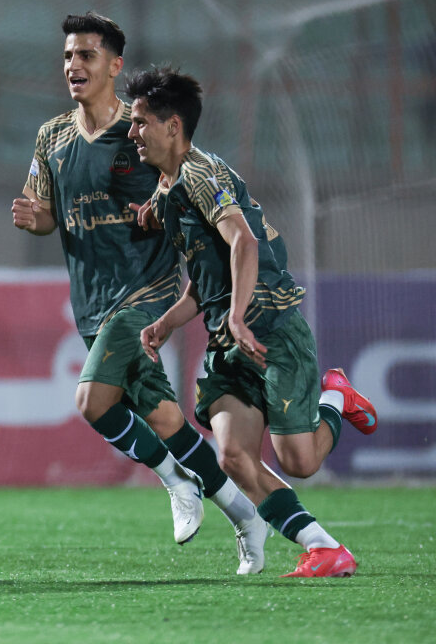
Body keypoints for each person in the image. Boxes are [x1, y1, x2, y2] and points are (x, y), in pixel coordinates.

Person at [11, 13, 267, 574]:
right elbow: (47, 213)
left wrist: (173, 214)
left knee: (92, 402)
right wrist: (35, 219)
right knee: (167, 419)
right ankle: (245, 516)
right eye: (67, 56)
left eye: (86, 55)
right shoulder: (51, 136)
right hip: (90, 300)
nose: (73, 65)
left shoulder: (142, 127)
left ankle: (175, 480)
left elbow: (184, 181)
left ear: (114, 65)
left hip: (146, 291)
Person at [125, 65, 378, 578]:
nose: (132, 132)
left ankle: (336, 397)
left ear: (173, 126)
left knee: (300, 462)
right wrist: (169, 322)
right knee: (234, 457)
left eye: (140, 121)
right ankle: (324, 548)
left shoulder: (202, 174)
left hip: (272, 331)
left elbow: (243, 241)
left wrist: (239, 317)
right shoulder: (168, 188)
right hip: (228, 342)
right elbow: (207, 278)